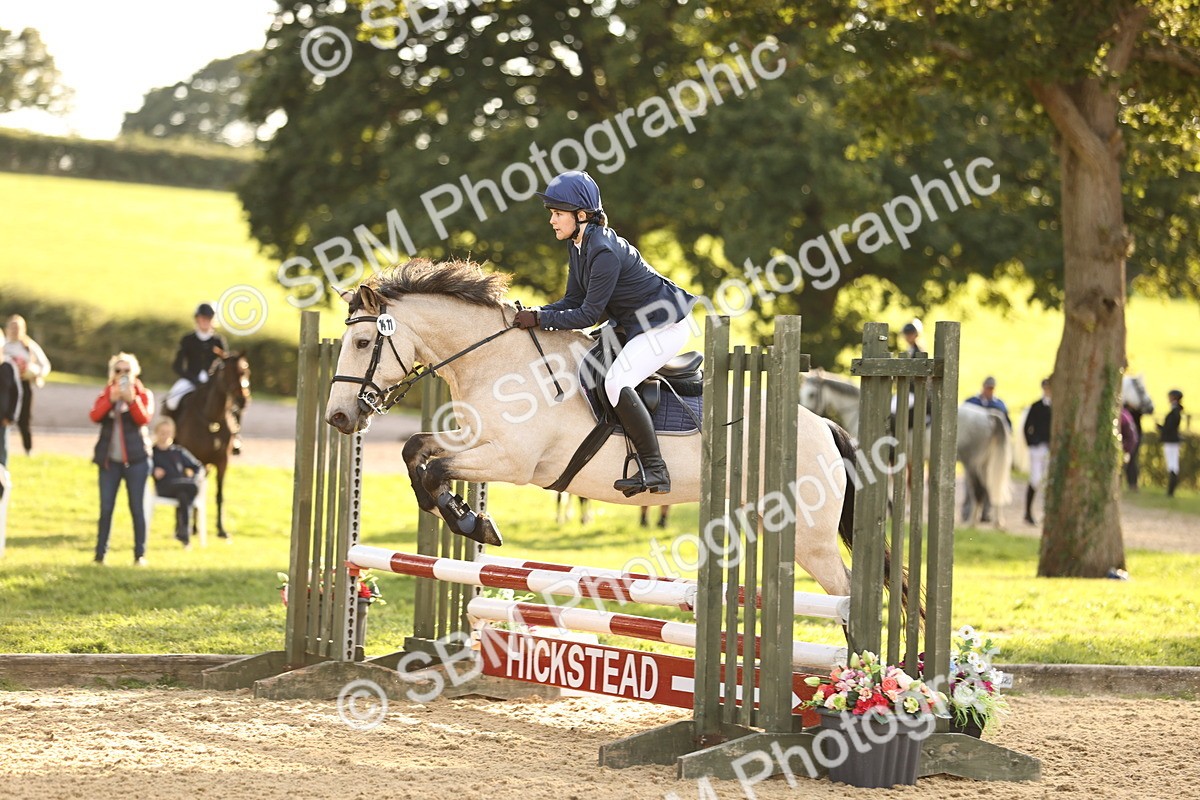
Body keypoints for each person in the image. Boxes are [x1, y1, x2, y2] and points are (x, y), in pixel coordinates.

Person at [515, 171, 698, 496]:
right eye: (552, 214)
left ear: (581, 215)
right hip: (632, 323)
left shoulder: (603, 251)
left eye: (558, 213)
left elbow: (587, 315)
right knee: (587, 370)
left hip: (664, 325)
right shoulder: (579, 245)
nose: (552, 221)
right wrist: (535, 314)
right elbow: (572, 300)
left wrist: (541, 319)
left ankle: (656, 470)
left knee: (617, 382)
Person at [90, 353, 154, 565]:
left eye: (127, 371)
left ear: (134, 373)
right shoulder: (107, 393)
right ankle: (100, 556)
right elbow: (94, 416)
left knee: (136, 508)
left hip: (136, 461)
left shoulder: (143, 394)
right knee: (106, 508)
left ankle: (139, 555)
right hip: (110, 463)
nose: (122, 374)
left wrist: (132, 400)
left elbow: (144, 418)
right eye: (118, 371)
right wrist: (111, 400)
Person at [166, 303, 242, 453]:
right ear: (197, 319)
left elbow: (225, 366)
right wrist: (192, 378)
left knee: (231, 401)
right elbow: (177, 365)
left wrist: (214, 379)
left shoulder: (218, 340)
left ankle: (235, 437)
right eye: (202, 318)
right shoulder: (188, 339)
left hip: (212, 382)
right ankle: (170, 434)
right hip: (190, 379)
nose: (205, 321)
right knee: (171, 400)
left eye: (208, 318)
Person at [151, 418, 204, 548]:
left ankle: (183, 534)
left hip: (182, 487)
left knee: (184, 495)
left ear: (173, 434)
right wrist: (153, 470)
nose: (165, 436)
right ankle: (184, 533)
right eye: (162, 432)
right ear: (156, 433)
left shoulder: (178, 452)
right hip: (164, 487)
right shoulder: (151, 453)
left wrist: (195, 477)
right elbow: (142, 468)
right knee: (191, 487)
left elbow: (198, 467)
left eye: (168, 432)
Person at [4, 315, 51, 456]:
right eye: (12, 327)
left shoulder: (29, 346)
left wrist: (35, 373)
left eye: (17, 327)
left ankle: (28, 449)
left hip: (24, 385)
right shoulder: (3, 346)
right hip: (5, 386)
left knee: (24, 419)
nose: (14, 330)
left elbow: (45, 365)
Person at [1023, 378, 1051, 525]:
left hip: (1050, 447)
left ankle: (1047, 513)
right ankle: (1027, 512)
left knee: (1048, 480)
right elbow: (1027, 426)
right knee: (1035, 478)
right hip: (1038, 447)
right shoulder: (1036, 406)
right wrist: (1032, 442)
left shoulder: (1056, 406)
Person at [1159, 390, 1184, 497]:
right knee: (1173, 465)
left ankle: (1171, 491)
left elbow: (1170, 426)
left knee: (1172, 465)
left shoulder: (1175, 411)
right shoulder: (1175, 410)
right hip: (1172, 440)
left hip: (1171, 441)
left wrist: (1161, 429)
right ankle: (1170, 490)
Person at [0, 355, 21, 467]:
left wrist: (11, 416)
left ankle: (2, 482)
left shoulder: (8, 367)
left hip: (2, 420)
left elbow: (16, 393)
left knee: (1, 453)